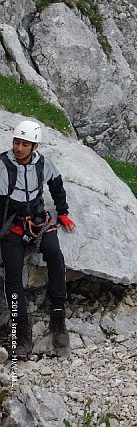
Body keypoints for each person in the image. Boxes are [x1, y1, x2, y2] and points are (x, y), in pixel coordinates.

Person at [0, 120, 76, 359]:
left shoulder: (43, 163)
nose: (18, 148)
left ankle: (57, 319)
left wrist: (62, 212)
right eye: (16, 142)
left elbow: (56, 184)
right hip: (12, 224)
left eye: (24, 144)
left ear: (35, 146)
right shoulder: (2, 165)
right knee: (12, 274)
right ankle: (21, 331)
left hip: (39, 221)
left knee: (55, 256)